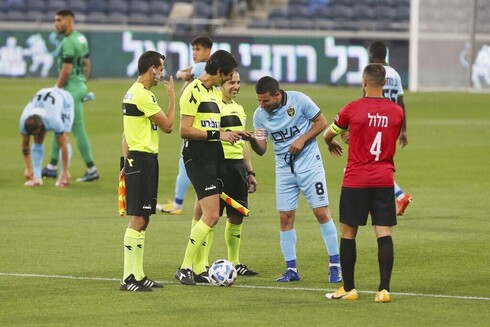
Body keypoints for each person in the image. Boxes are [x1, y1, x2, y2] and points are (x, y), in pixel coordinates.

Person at [247, 76, 341, 283]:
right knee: (285, 217)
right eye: (259, 101)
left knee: (321, 212)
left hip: (310, 164)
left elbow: (322, 122)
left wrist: (302, 139)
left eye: (266, 101)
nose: (262, 105)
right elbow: (261, 149)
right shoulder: (259, 116)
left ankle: (335, 265)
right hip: (283, 168)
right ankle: (291, 270)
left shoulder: (299, 100)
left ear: (277, 95)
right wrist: (252, 139)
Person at [324, 63, 403, 302]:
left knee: (349, 233)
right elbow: (384, 138)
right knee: (384, 232)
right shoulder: (396, 111)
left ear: (364, 82)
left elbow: (328, 134)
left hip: (356, 179)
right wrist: (358, 136)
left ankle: (348, 288)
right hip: (384, 178)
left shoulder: (353, 109)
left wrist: (337, 141)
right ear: (385, 83)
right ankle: (384, 290)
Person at [174, 50, 247, 285]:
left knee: (202, 212)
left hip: (214, 153)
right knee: (213, 214)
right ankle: (184, 267)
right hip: (197, 154)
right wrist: (219, 134)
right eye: (226, 76)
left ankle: (198, 268)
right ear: (217, 72)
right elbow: (184, 130)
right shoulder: (192, 91)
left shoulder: (214, 93)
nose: (227, 81)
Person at [192, 72, 258, 283]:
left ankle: (235, 261)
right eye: (231, 82)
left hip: (237, 166)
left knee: (237, 215)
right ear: (222, 82)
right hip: (217, 164)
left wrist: (249, 172)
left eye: (238, 82)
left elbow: (243, 143)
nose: (236, 86)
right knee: (210, 216)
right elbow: (206, 130)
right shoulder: (213, 104)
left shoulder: (239, 108)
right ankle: (200, 264)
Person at [119, 50, 175, 292]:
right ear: (152, 68)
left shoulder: (134, 92)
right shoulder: (143, 95)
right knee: (138, 218)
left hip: (140, 160)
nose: (162, 74)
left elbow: (125, 133)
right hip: (142, 160)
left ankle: (138, 275)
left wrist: (124, 163)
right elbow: (169, 127)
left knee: (144, 218)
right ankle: (128, 278)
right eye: (160, 69)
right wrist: (172, 99)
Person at [343, 41, 412, 216]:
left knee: (362, 163)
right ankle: (394, 197)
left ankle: (395, 196)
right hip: (392, 123)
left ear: (372, 55)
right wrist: (403, 130)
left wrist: (353, 128)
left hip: (373, 121)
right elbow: (401, 102)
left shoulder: (372, 73)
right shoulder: (395, 74)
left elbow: (364, 101)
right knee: (380, 163)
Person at [157, 35, 213, 215]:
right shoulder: (210, 70)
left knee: (185, 163)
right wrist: (185, 75)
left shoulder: (199, 68)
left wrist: (184, 75)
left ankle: (177, 204)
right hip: (208, 122)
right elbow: (183, 73)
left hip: (195, 124)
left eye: (198, 49)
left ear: (208, 51)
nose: (195, 53)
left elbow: (181, 73)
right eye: (193, 50)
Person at [42, 9, 99, 182]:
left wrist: (57, 88)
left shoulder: (68, 42)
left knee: (76, 129)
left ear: (69, 21)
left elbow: (66, 70)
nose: (55, 23)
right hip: (79, 86)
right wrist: (83, 83)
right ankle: (52, 166)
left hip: (69, 90)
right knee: (58, 126)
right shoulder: (81, 38)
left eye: (58, 20)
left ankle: (91, 168)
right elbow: (87, 63)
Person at [20, 87, 74, 188]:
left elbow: (63, 146)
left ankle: (63, 176)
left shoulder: (54, 120)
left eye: (36, 132)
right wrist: (28, 167)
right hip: (44, 99)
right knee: (37, 140)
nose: (34, 136)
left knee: (65, 138)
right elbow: (25, 145)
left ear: (41, 125)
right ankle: (36, 178)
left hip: (64, 101)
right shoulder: (24, 120)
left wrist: (66, 170)